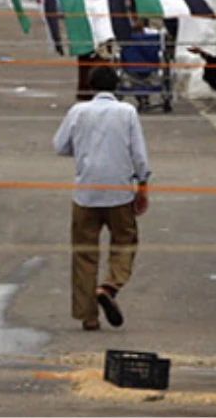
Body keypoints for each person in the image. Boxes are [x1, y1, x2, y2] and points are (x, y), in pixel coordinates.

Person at [53, 66, 151, 331]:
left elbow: (59, 146)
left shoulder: (78, 111)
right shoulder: (127, 112)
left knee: (84, 253)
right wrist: (142, 184)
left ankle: (89, 316)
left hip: (86, 192)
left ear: (91, 85)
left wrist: (83, 148)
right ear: (116, 86)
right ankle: (109, 285)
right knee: (125, 242)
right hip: (119, 191)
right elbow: (139, 154)